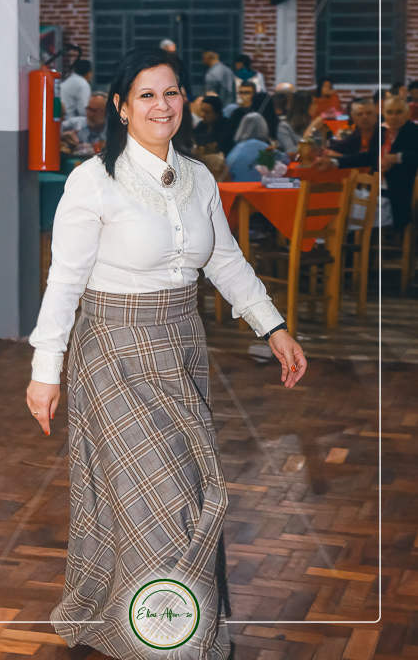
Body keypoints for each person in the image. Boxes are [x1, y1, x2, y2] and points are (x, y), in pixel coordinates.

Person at [26, 47, 306, 659]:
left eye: (172, 92)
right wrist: (46, 371)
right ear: (122, 107)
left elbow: (224, 260)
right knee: (166, 501)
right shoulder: (92, 180)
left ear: (185, 101)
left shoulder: (199, 176)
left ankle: (146, 627)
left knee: (184, 492)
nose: (162, 104)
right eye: (147, 94)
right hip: (113, 352)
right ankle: (169, 641)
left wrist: (273, 326)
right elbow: (64, 281)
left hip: (181, 347)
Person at [318, 96, 418, 231]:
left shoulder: (413, 132)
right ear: (383, 114)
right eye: (390, 112)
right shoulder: (384, 133)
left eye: (399, 112)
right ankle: (327, 239)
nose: (394, 117)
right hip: (375, 192)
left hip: (394, 199)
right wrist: (334, 162)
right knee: (335, 197)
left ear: (407, 114)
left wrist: (398, 157)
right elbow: (368, 157)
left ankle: (334, 240)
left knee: (346, 206)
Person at [222, 81, 256, 153]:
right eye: (241, 92)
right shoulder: (231, 109)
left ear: (254, 94)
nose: (243, 95)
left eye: (247, 93)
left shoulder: (256, 110)